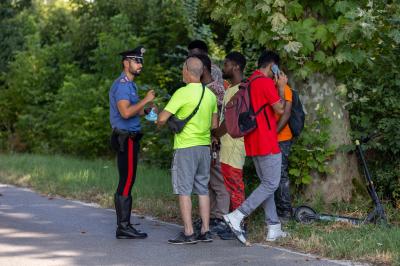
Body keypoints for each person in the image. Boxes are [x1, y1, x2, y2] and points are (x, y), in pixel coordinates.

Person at [223, 50, 289, 243]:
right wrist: (282, 87)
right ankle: (237, 216)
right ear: (272, 66)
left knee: (266, 185)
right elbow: (280, 108)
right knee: (271, 184)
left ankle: (273, 227)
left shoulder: (250, 81)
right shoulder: (265, 82)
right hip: (266, 140)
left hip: (252, 141)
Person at [157, 56, 218, 245]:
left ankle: (189, 232)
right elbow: (214, 124)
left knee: (184, 189)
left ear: (187, 71)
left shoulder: (182, 93)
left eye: (183, 69)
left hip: (185, 148)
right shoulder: (210, 95)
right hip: (203, 147)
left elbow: (161, 119)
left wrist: (157, 119)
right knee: (202, 189)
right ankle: (205, 231)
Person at [109, 46, 156, 239]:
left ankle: (124, 225)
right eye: (136, 61)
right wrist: (146, 100)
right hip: (125, 138)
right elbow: (125, 113)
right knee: (127, 181)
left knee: (128, 180)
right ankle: (123, 227)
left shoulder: (131, 85)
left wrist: (145, 110)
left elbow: (132, 110)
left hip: (131, 137)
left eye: (141, 61)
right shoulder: (121, 85)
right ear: (125, 62)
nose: (140, 64)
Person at [194, 53, 230, 236]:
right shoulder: (202, 88)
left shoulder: (215, 89)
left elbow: (221, 118)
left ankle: (222, 217)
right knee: (207, 182)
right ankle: (211, 216)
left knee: (219, 182)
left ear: (204, 69)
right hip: (204, 141)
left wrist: (216, 138)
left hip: (215, 141)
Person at [274, 81, 294, 223]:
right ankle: (276, 209)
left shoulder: (285, 88)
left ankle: (285, 211)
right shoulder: (269, 87)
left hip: (282, 138)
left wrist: (273, 134)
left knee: (281, 174)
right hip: (272, 138)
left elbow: (286, 114)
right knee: (273, 175)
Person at [187, 40, 224, 111]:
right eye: (190, 56)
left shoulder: (212, 70)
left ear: (204, 54)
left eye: (195, 55)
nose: (192, 59)